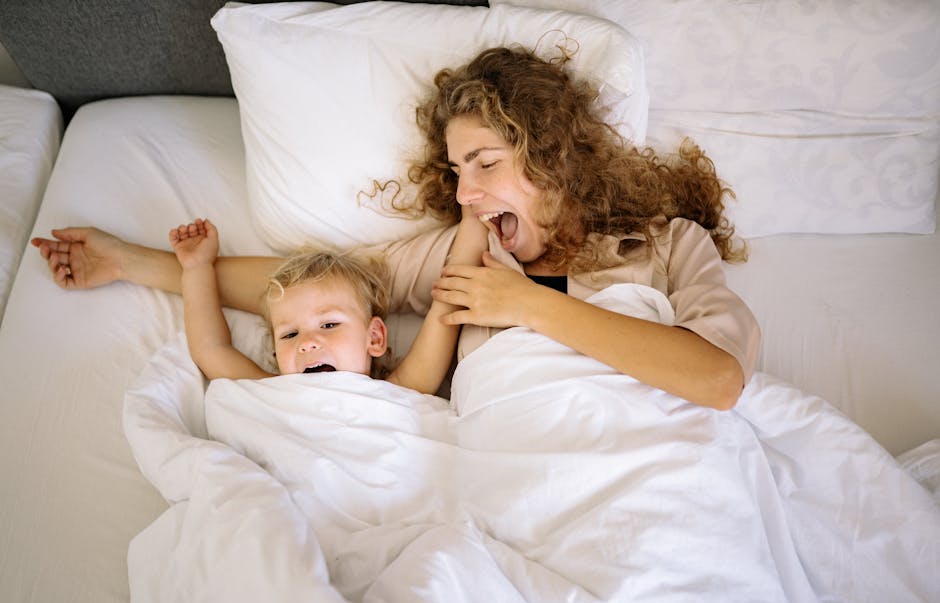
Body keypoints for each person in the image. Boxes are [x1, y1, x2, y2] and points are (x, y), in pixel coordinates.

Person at [31, 45, 759, 410]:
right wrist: (136, 262)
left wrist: (530, 306)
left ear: (551, 156)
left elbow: (718, 378)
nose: (466, 193)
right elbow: (307, 290)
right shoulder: (461, 252)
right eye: (456, 172)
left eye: (484, 163)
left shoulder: (667, 246)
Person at [168, 216, 487, 395]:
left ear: (374, 338)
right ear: (276, 354)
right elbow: (211, 349)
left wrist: (475, 220)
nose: (307, 343)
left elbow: (445, 308)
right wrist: (196, 268)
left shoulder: (399, 392)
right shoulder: (273, 391)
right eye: (290, 335)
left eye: (329, 325)